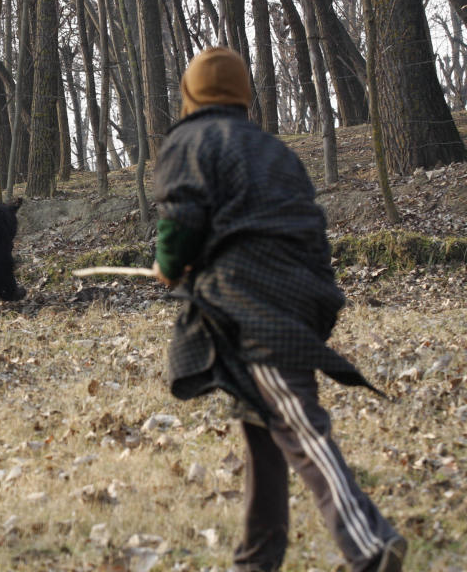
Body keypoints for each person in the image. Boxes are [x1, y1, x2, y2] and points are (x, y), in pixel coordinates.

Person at [150, 46, 405, 572]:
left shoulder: (188, 141)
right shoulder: (274, 150)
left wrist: (170, 265)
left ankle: (369, 543)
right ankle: (256, 559)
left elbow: (181, 219)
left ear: (191, 97)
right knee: (263, 424)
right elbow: (306, 223)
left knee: (298, 424)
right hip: (297, 294)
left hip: (254, 304)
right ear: (244, 97)